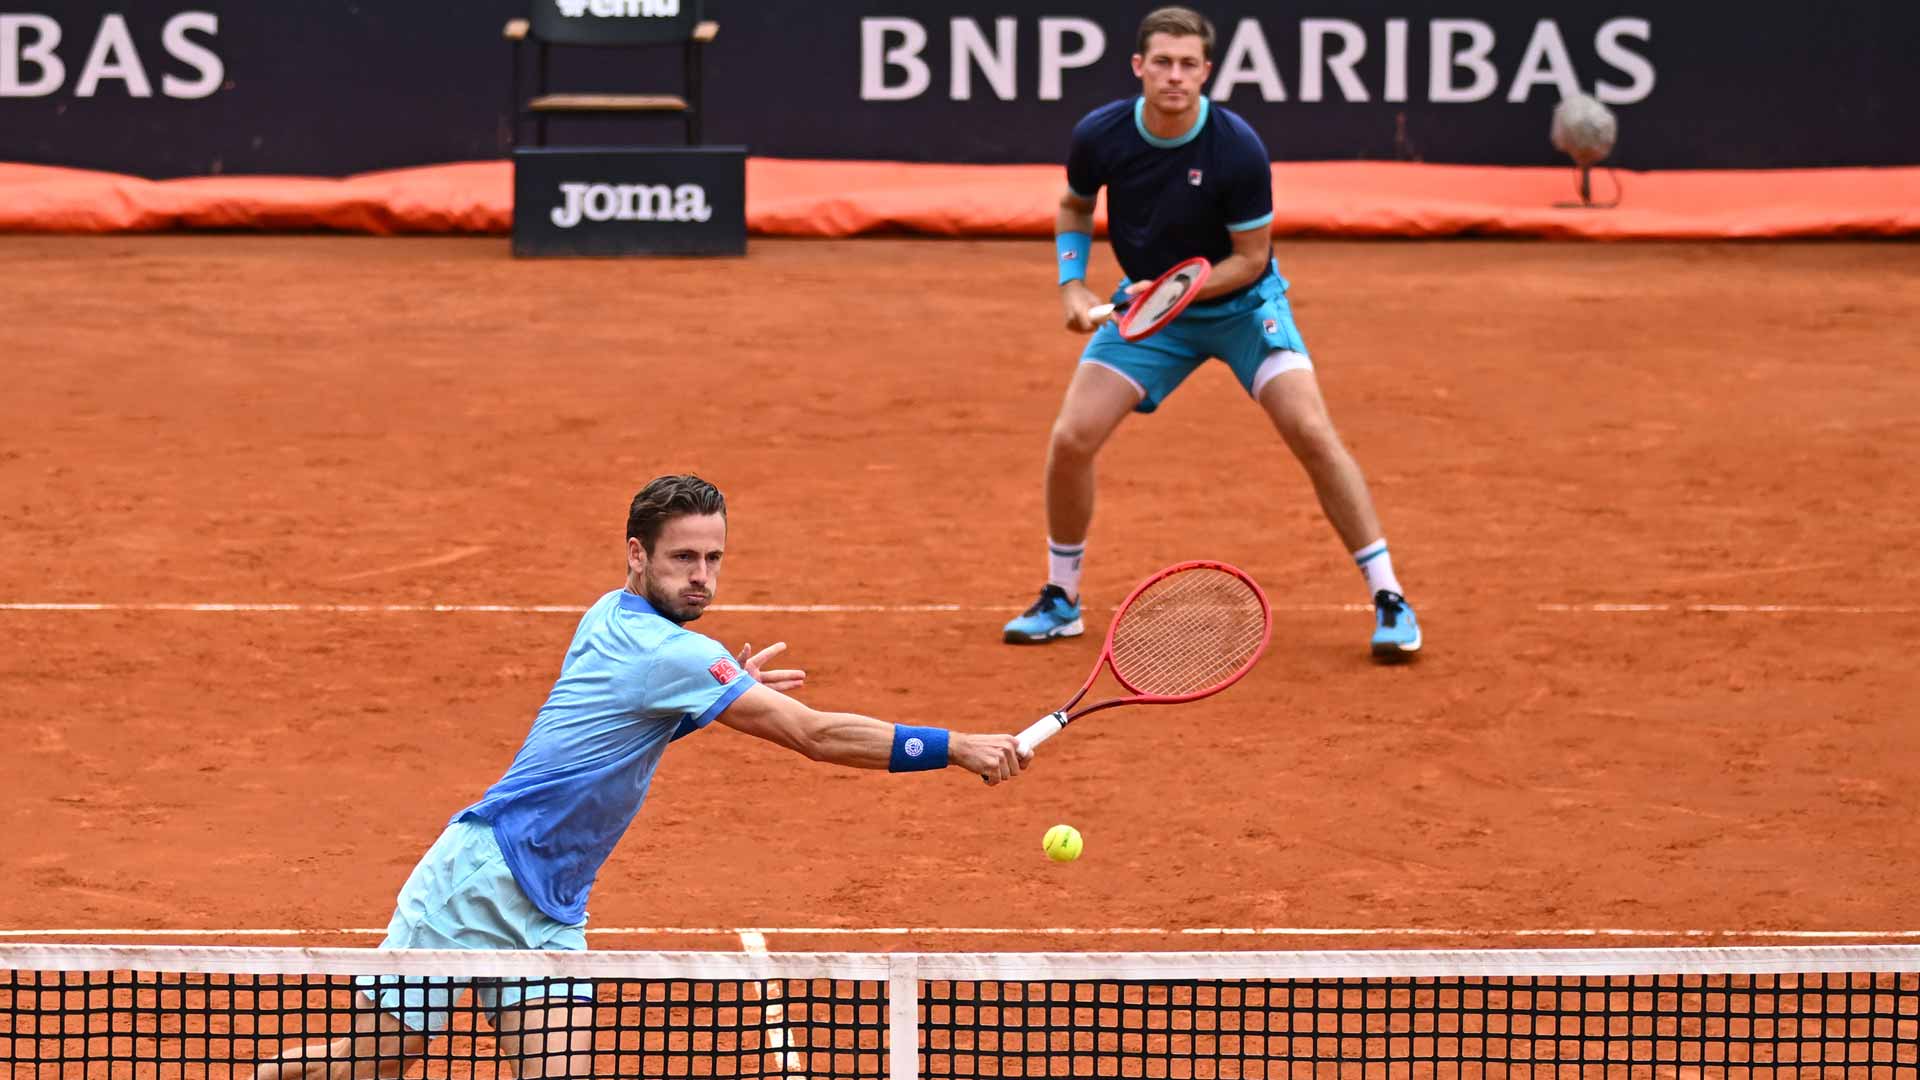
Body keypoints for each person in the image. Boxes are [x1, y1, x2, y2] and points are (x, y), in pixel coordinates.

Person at [255, 474, 1030, 1080]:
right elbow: (815, 735)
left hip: (553, 907)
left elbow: (633, 711)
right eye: (682, 559)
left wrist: (718, 687)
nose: (701, 577)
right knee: (373, 1061)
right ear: (637, 554)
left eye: (713, 559)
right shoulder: (679, 657)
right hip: (477, 884)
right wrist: (956, 744)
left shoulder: (615, 617)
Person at [1002, 5, 1422, 662]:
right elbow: (1075, 205)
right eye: (1162, 62)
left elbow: (1251, 260)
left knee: (1312, 432)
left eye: (1188, 64)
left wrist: (1171, 292)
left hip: (1243, 308)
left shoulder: (1237, 148)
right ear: (1139, 67)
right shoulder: (1101, 134)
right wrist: (1072, 285)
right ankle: (1061, 598)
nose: (1175, 76)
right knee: (1071, 438)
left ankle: (1389, 595)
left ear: (1207, 71)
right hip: (1152, 313)